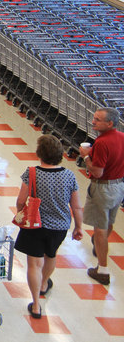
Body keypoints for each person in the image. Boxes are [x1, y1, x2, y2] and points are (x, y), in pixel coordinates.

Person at [13, 135, 83, 319]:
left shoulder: (32, 173)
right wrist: (79, 227)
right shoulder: (69, 175)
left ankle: (36, 305)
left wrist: (20, 212)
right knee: (51, 255)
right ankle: (44, 284)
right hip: (59, 226)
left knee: (34, 264)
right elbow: (76, 206)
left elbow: (21, 200)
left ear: (39, 154)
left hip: (35, 224)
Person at [80, 107, 124, 285]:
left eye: (98, 119)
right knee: (109, 221)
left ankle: (102, 269)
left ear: (110, 123)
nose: (93, 121)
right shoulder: (121, 138)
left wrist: (85, 157)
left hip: (103, 188)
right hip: (118, 186)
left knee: (99, 228)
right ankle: (101, 245)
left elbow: (97, 172)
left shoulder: (102, 142)